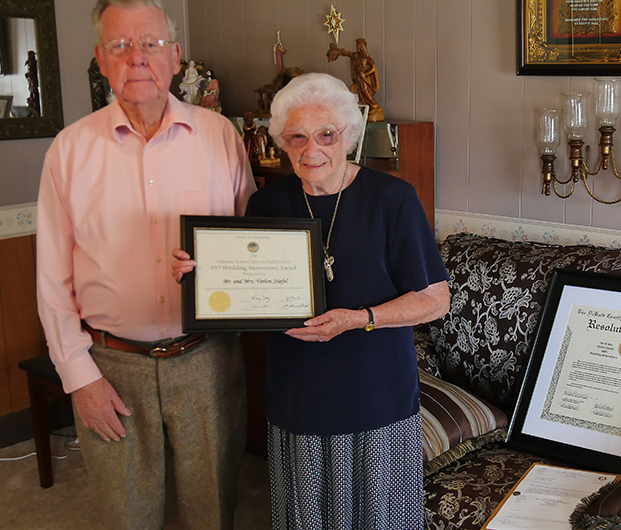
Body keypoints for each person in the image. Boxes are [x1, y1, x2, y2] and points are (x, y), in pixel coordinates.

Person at [172, 72, 449, 529]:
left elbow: (436, 300)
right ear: (282, 141)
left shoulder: (393, 199)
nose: (311, 148)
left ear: (349, 135)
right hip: (299, 394)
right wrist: (199, 273)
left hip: (376, 395)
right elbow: (243, 287)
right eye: (296, 136)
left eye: (326, 134)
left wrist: (361, 318)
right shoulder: (266, 204)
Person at [35, 1, 255, 529]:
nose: (137, 57)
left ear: (176, 56)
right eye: (120, 45)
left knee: (213, 512)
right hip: (111, 365)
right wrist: (78, 377)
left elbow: (252, 242)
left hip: (207, 358)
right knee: (126, 514)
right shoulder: (68, 151)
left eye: (151, 44)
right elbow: (51, 278)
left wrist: (222, 265)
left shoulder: (221, 135)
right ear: (100, 59)